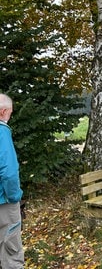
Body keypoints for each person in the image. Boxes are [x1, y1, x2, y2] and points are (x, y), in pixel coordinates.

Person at [0, 94, 24, 268]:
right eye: (10, 113)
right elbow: (8, 172)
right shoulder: (2, 131)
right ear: (3, 112)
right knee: (11, 246)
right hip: (4, 199)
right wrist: (14, 196)